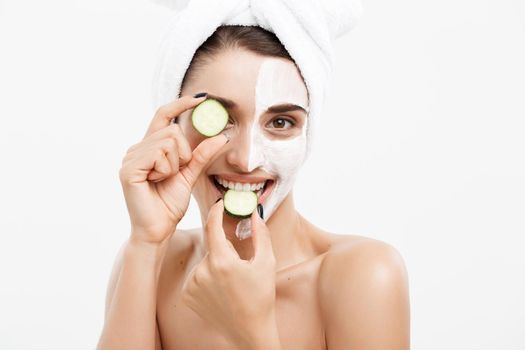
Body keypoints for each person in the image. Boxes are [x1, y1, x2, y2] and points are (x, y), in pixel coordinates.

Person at [97, 25, 410, 350]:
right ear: (172, 128)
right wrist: (146, 242)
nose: (245, 160)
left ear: (308, 136)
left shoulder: (365, 276)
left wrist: (249, 329)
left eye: (280, 122)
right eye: (220, 118)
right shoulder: (152, 263)